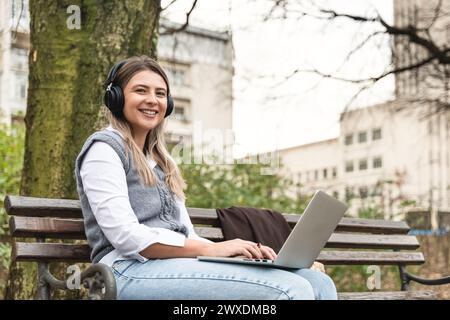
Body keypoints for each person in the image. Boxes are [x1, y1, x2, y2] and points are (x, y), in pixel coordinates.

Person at [74, 55, 338, 300]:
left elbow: (186, 233)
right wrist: (210, 250)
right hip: (124, 270)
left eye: (161, 93)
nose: (153, 100)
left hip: (171, 266)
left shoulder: (163, 162)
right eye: (140, 90)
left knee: (318, 282)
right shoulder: (104, 150)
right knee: (292, 288)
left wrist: (233, 251)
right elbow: (126, 237)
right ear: (116, 97)